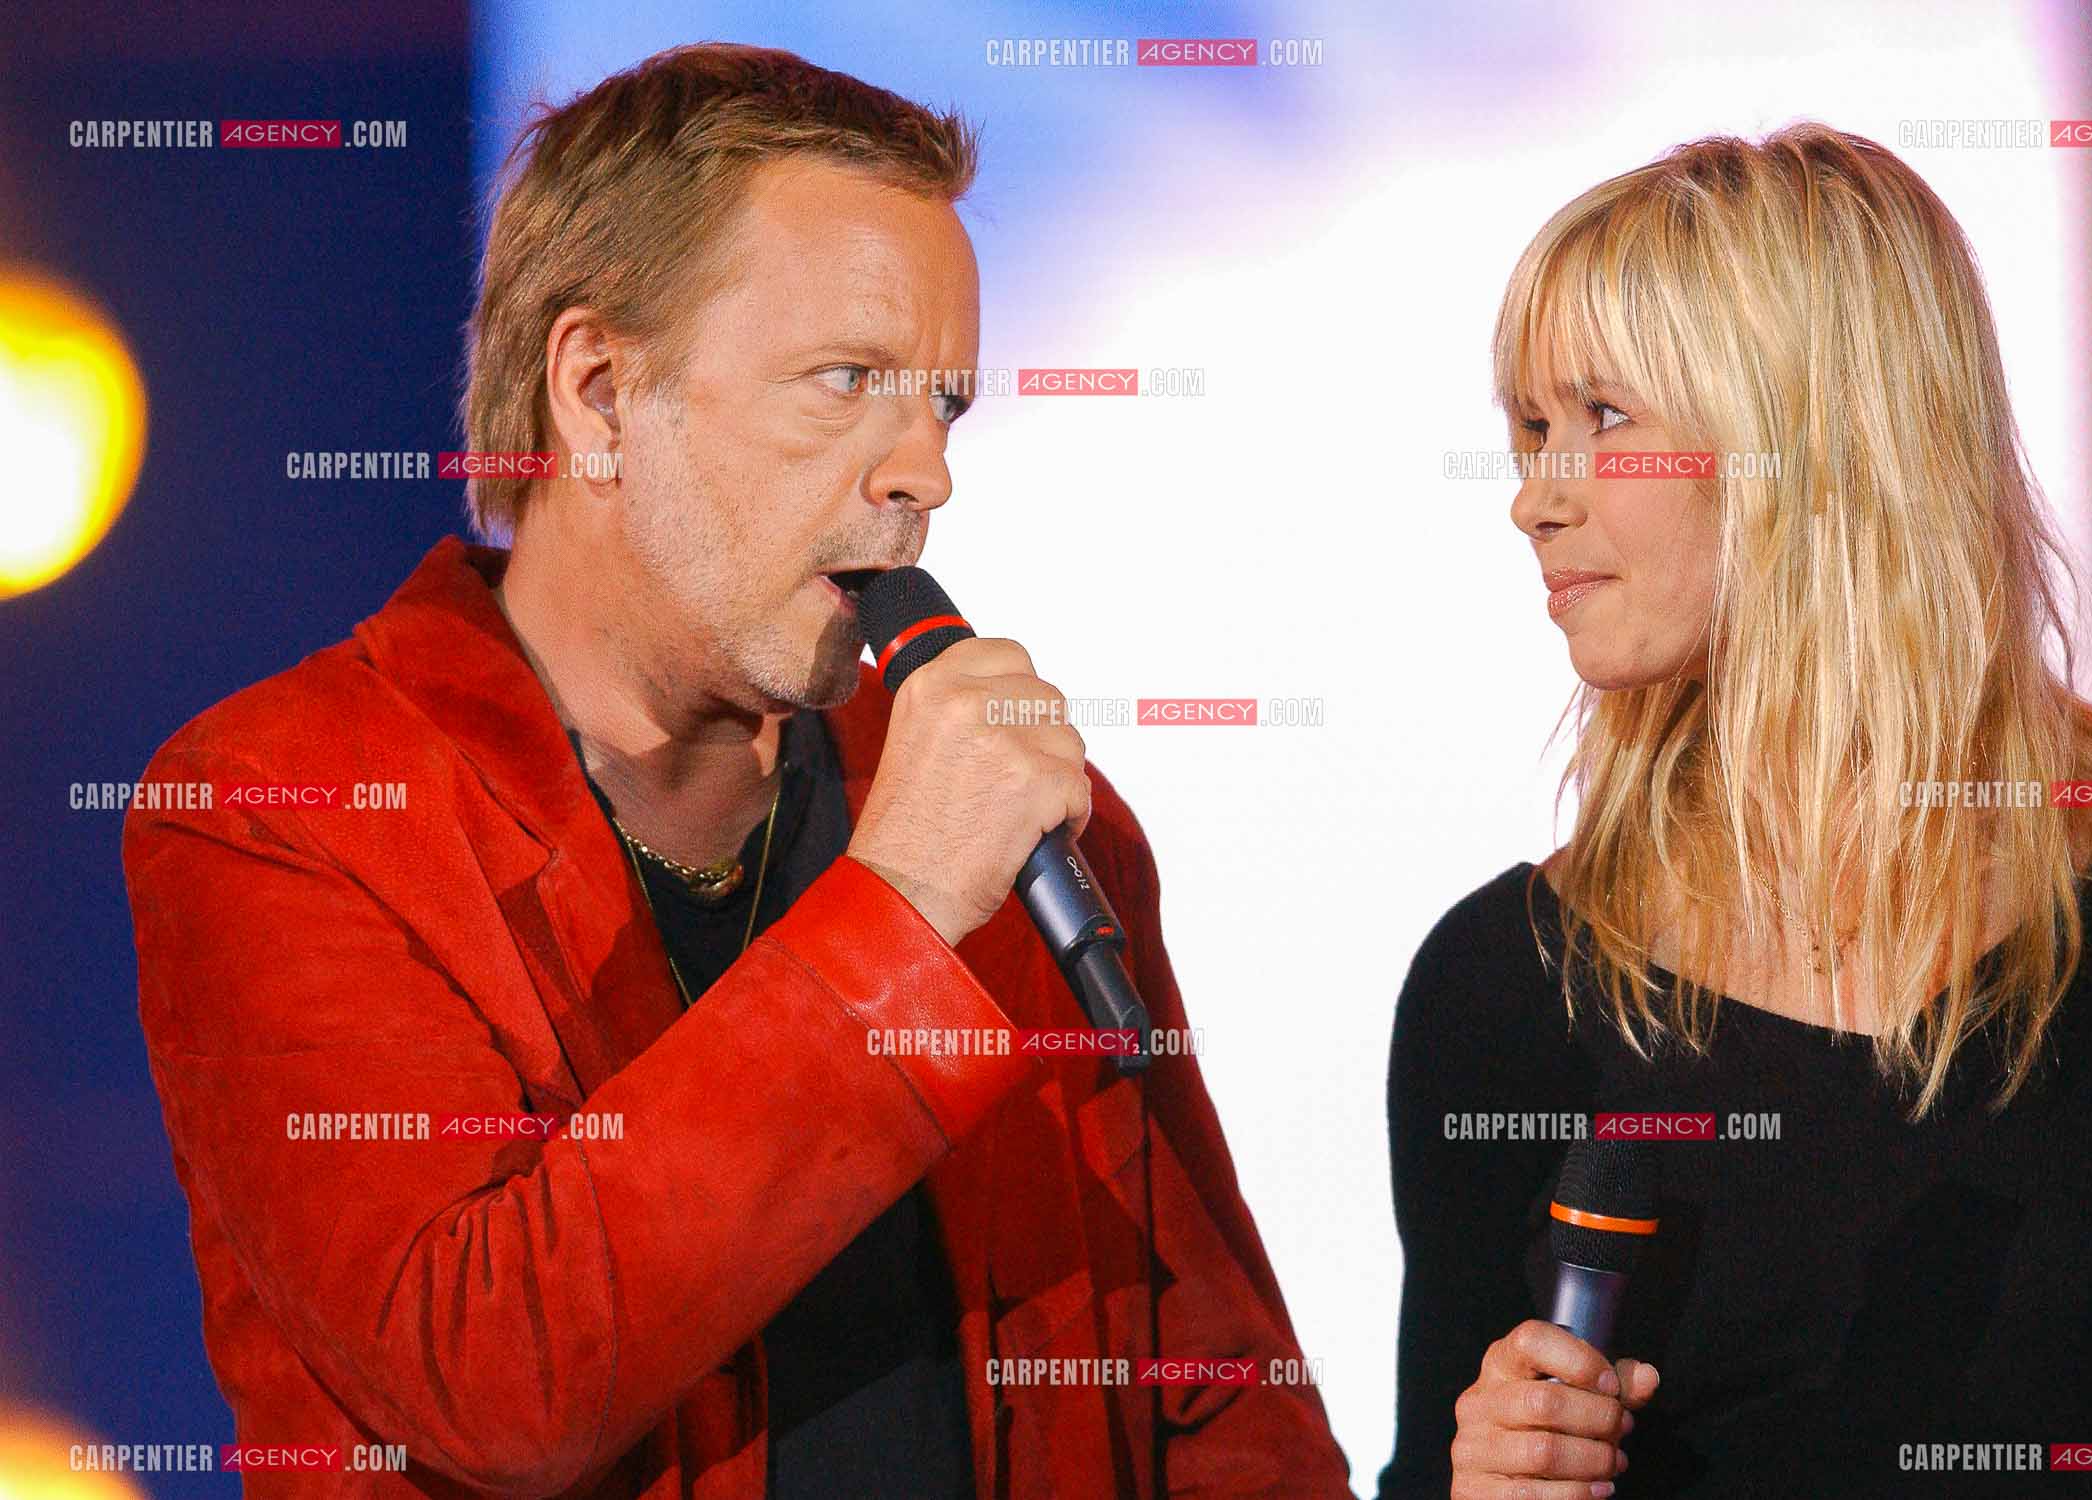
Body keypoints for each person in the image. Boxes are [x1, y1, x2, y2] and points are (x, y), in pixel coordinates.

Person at [123, 43, 1349, 1499]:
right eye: (846, 381)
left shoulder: (1016, 819)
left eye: (943, 404)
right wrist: (899, 910)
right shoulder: (284, 805)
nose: (926, 473)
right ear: (597, 394)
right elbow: (495, 1384)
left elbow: (1212, 1401)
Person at [1378, 123, 2092, 1499]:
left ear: (1812, 437)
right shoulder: (1508, 985)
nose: (1531, 499)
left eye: (1602, 417)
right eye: (1529, 429)